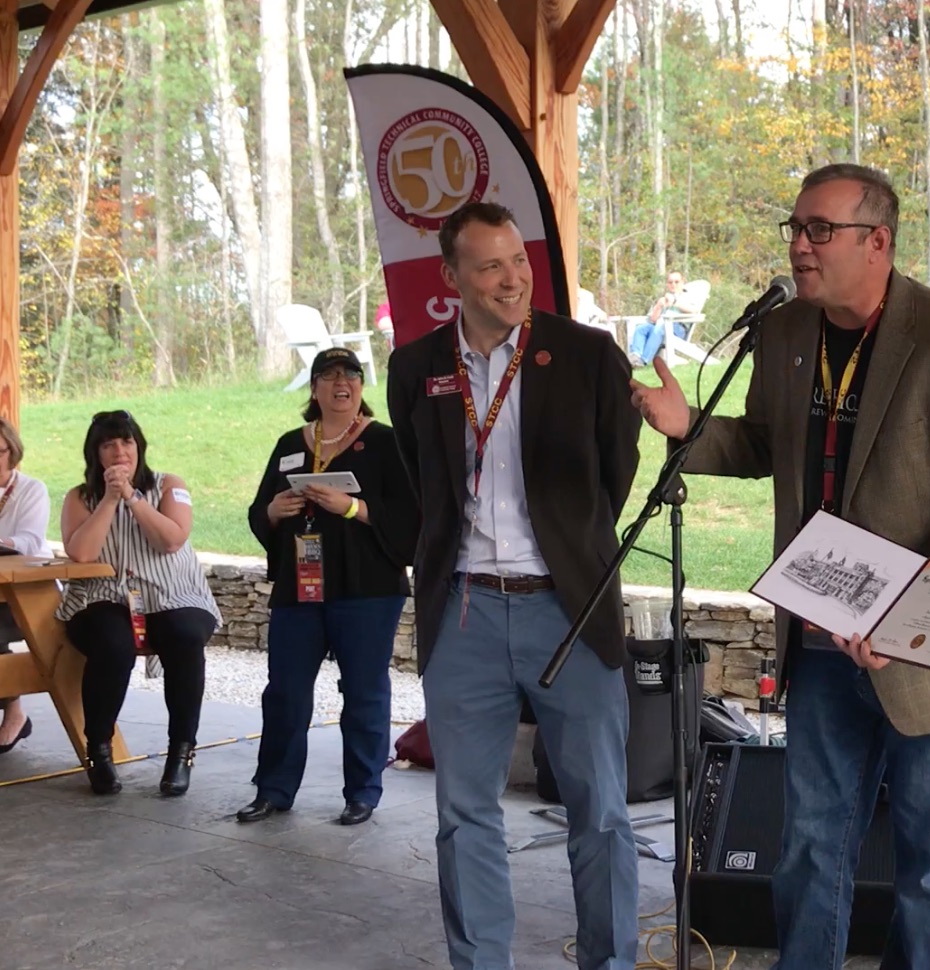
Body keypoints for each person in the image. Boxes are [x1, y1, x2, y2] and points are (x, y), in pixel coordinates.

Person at [631, 163, 930, 970]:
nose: (801, 246)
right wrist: (688, 429)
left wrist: (910, 618)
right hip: (820, 641)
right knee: (811, 849)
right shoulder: (786, 332)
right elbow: (758, 443)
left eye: (821, 230)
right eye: (795, 227)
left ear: (877, 241)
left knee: (929, 869)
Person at [387, 201, 642, 970]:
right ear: (452, 276)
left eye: (519, 262)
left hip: (569, 611)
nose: (511, 279)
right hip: (463, 610)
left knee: (599, 812)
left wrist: (566, 551)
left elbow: (615, 474)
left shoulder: (589, 355)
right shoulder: (416, 366)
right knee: (464, 815)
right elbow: (417, 481)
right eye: (490, 265)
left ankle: (611, 961)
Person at [239, 347, 416, 826]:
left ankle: (362, 791)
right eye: (331, 376)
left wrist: (351, 507)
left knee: (363, 694)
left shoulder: (385, 442)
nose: (343, 384)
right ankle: (273, 789)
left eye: (351, 375)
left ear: (361, 387)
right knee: (285, 693)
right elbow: (260, 512)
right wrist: (274, 513)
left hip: (367, 590)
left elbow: (410, 520)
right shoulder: (288, 444)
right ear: (313, 389)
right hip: (300, 588)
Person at [58, 410, 222, 796]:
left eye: (126, 442)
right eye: (108, 444)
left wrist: (132, 497)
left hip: (173, 593)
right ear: (95, 453)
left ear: (139, 446)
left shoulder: (169, 485)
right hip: (103, 595)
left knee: (183, 636)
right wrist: (110, 500)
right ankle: (99, 749)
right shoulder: (79, 497)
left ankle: (182, 752)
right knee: (113, 644)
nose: (119, 452)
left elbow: (171, 539)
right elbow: (80, 554)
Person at [0, 417, 53, 754]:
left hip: (26, 594)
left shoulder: (32, 489)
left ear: (11, 452)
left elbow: (30, 542)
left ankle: (14, 710)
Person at [627, 271, 700, 367]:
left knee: (660, 328)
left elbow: (694, 310)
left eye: (676, 282)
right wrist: (659, 306)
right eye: (670, 282)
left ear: (682, 282)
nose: (673, 284)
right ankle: (635, 357)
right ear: (667, 284)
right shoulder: (664, 298)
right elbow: (652, 320)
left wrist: (674, 302)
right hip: (659, 326)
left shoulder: (688, 296)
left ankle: (643, 361)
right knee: (641, 328)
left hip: (678, 328)